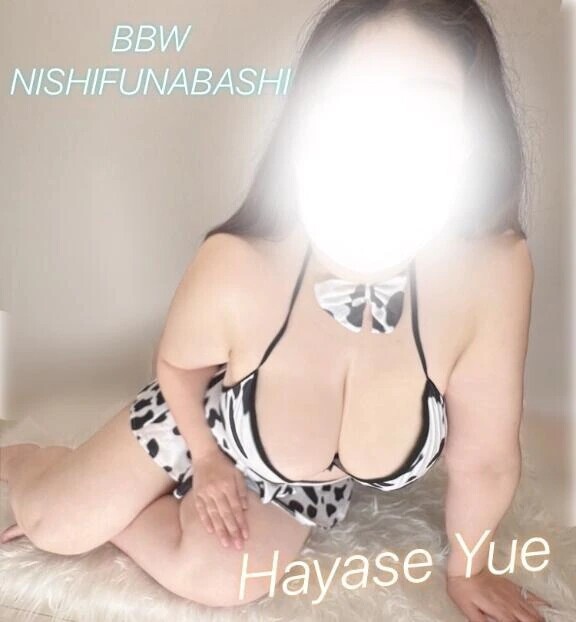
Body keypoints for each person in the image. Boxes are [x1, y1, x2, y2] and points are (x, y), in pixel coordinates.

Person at [0, 1, 553, 619]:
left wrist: (467, 570)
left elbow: (485, 458)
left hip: (295, 479)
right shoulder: (242, 260)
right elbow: (178, 366)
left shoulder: (492, 271)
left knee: (224, 580)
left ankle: (119, 508)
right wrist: (207, 460)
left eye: (424, 100)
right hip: (209, 421)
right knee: (58, 526)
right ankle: (30, 462)